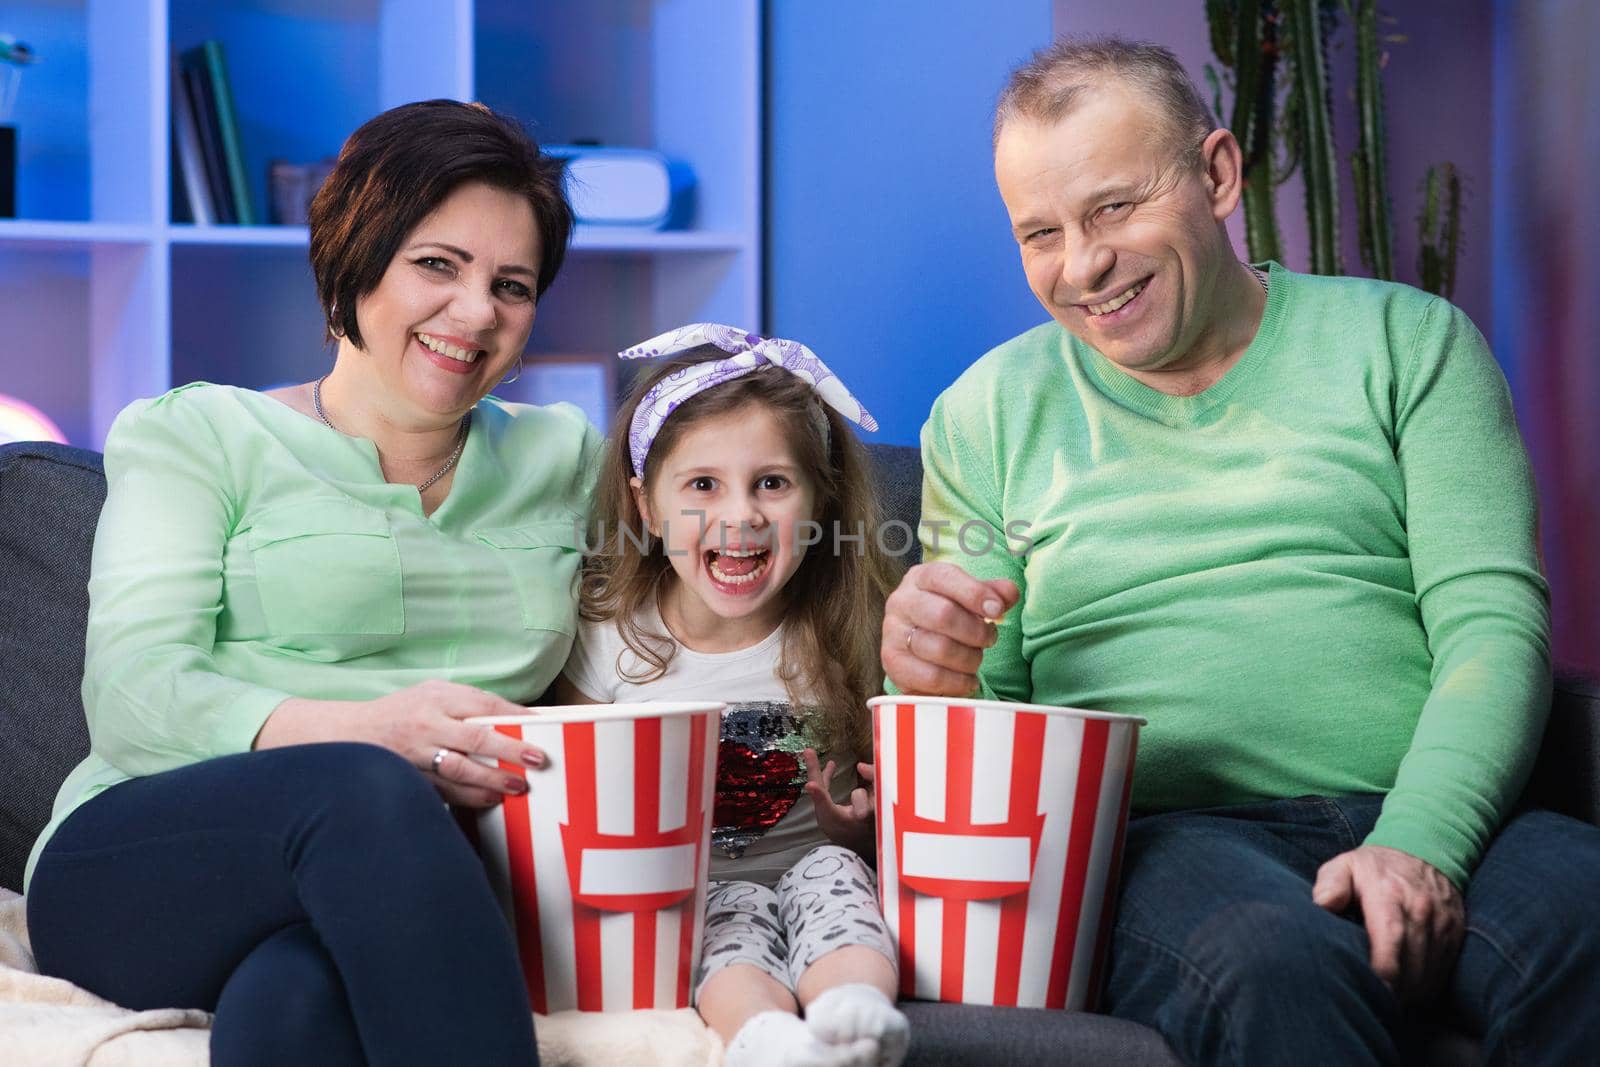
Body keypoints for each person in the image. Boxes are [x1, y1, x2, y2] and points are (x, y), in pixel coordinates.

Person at [880, 36, 1600, 1065]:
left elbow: (1492, 620)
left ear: (1216, 174)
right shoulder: (983, 414)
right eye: (1040, 232)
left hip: (1424, 795)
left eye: (1113, 207)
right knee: (1274, 962)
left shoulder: (1411, 343)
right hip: (1164, 839)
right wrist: (931, 676)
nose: (1082, 265)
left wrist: (1419, 840)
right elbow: (985, 725)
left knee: (1585, 917)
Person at [25, 99, 597, 1065]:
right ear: (357, 255)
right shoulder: (200, 435)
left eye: (512, 284)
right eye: (436, 264)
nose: (476, 312)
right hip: (145, 857)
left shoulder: (566, 455)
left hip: (400, 882)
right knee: (367, 787)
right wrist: (375, 730)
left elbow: (704, 589)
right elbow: (133, 693)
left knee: (294, 1003)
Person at [552, 324, 908, 1067]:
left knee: (838, 885)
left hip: (824, 864)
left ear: (819, 502)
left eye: (771, 483)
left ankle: (857, 1012)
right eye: (703, 484)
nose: (741, 515)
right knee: (723, 927)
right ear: (647, 506)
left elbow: (885, 804)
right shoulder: (612, 638)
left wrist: (861, 827)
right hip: (694, 890)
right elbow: (572, 798)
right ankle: (765, 1036)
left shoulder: (850, 626)